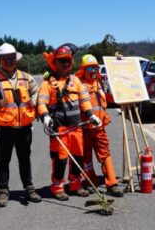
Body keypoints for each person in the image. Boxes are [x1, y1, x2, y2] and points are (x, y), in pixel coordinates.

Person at [0, 43, 42, 207]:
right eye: (6, 58)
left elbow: (36, 92)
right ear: (0, 60)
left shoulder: (26, 77)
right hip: (5, 127)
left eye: (12, 58)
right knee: (3, 160)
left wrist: (33, 102)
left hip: (24, 126)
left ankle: (29, 188)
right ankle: (3, 191)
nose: (10, 61)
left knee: (25, 159)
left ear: (16, 59)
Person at [37, 44, 100, 201]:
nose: (65, 64)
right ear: (55, 63)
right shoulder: (47, 84)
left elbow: (84, 100)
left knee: (77, 157)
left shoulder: (76, 81)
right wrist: (45, 116)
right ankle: (57, 187)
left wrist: (91, 115)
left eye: (68, 61)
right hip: (59, 129)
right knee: (60, 160)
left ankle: (75, 185)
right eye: (62, 61)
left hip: (76, 127)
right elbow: (41, 102)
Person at [75, 54, 124, 197]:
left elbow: (111, 94)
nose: (93, 71)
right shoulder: (77, 84)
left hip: (99, 128)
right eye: (89, 68)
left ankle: (112, 184)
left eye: (95, 68)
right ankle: (90, 181)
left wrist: (119, 63)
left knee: (105, 155)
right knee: (86, 158)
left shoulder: (100, 82)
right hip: (83, 128)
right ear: (83, 69)